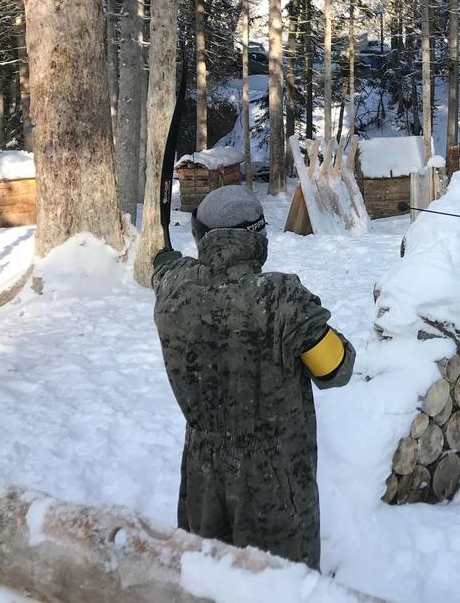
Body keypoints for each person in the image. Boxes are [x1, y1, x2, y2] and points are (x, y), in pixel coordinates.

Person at [151, 185, 355, 567]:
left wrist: (165, 260)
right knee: (279, 584)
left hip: (202, 477)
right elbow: (337, 368)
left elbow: (165, 269)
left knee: (208, 577)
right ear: (257, 239)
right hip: (273, 485)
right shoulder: (280, 299)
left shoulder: (173, 289)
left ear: (200, 237)